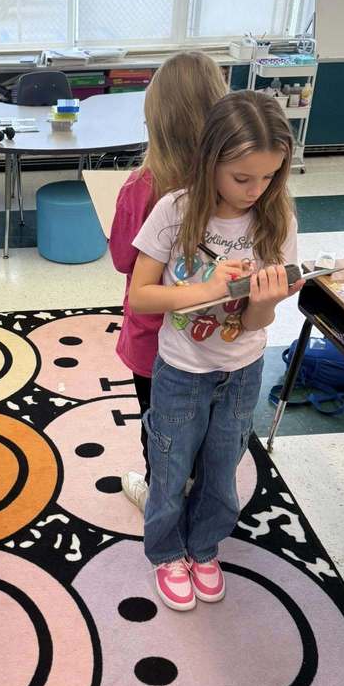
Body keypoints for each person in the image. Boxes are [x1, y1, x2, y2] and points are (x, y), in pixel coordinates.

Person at [128, 90, 301, 611]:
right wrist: (211, 289)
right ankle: (164, 552)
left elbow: (254, 323)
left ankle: (204, 548)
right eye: (242, 177)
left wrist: (262, 304)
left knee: (224, 466)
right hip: (181, 368)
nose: (255, 190)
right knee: (170, 463)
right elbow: (140, 295)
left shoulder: (277, 219)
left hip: (242, 368)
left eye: (268, 177)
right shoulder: (174, 211)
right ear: (210, 163)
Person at [109, 52, 226, 509]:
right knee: (203, 421)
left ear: (154, 121)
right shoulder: (234, 186)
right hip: (209, 336)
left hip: (153, 339)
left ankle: (160, 492)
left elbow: (123, 260)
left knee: (158, 426)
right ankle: (197, 487)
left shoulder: (141, 187)